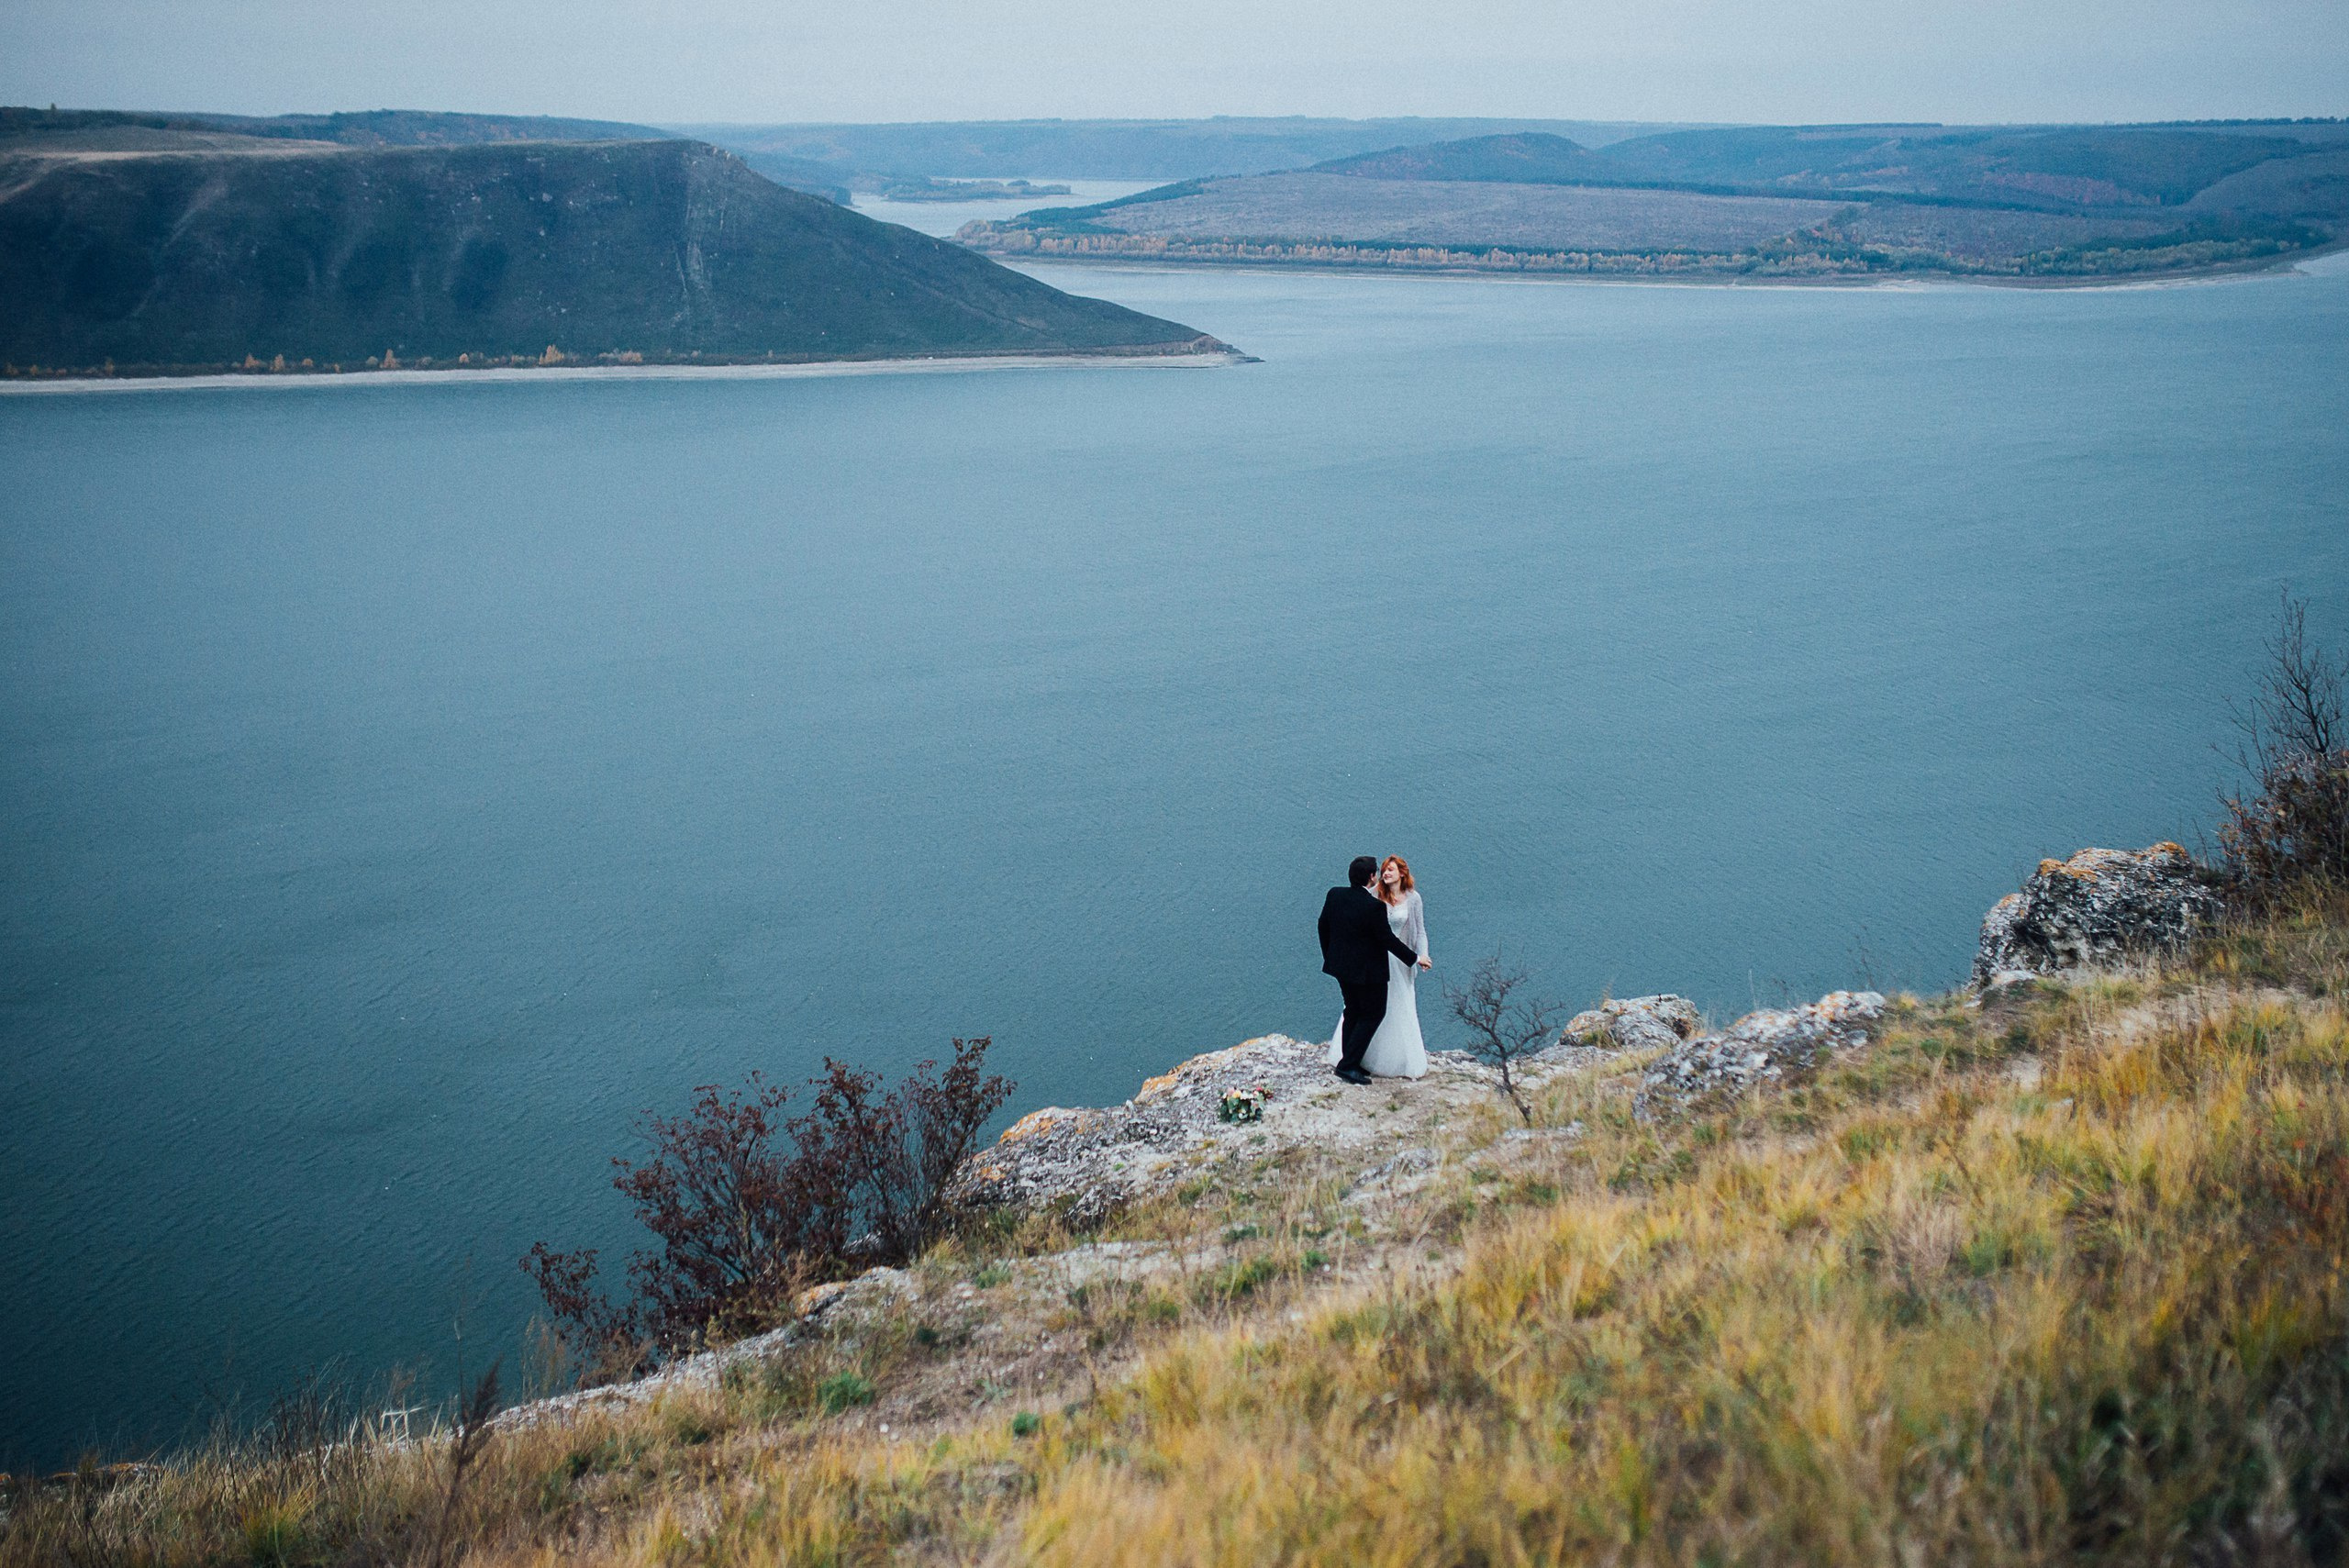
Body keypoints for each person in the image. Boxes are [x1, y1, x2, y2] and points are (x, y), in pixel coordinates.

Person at [1317, 854, 1424, 1086]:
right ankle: (1348, 1066)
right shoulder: (1374, 906)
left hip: (1341, 968)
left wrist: (1330, 956)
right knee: (1373, 1014)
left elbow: (1322, 926)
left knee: (1352, 1011)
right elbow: (1387, 940)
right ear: (1372, 877)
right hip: (1368, 973)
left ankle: (1350, 1061)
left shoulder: (1335, 894)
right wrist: (1415, 958)